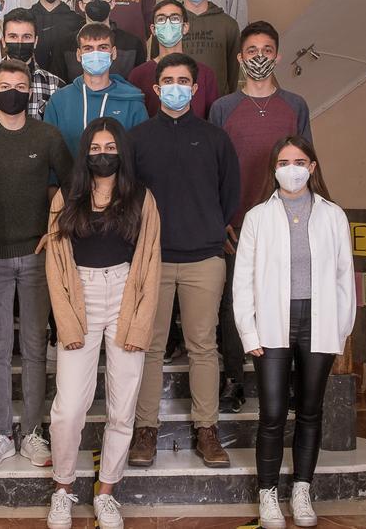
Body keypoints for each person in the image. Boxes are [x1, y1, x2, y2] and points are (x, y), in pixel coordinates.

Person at [45, 117, 161, 529]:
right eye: (95, 148)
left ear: (122, 152)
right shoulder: (67, 196)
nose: (103, 154)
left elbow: (150, 261)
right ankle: (63, 488)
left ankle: (107, 491)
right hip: (81, 296)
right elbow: (56, 266)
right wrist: (66, 321)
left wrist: (140, 322)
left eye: (110, 147)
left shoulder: (141, 198)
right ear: (85, 153)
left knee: (122, 407)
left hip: (126, 295)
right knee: (68, 409)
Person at [233, 135, 354, 529]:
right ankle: (267, 493)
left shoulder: (333, 215)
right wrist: (249, 334)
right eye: (284, 162)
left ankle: (302, 488)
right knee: (271, 413)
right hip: (272, 324)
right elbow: (244, 282)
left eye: (300, 161)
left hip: (318, 323)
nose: (292, 168)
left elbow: (343, 278)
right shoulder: (257, 217)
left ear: (313, 167)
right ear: (274, 169)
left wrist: (340, 331)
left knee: (310, 411)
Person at [127, 54, 240, 470]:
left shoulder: (215, 138)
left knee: (203, 346)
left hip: (203, 259)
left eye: (184, 81)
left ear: (195, 89)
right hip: (152, 260)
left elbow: (230, 194)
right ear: (156, 90)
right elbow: (128, 198)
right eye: (168, 80)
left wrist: (211, 229)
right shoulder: (137, 139)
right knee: (150, 347)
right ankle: (145, 430)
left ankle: (207, 429)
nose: (176, 87)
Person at [0, 58, 74, 469]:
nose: (13, 91)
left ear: (31, 91)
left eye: (21, 85)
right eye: (5, 85)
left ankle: (32, 433)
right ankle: (1, 434)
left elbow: (73, 185)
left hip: (35, 256)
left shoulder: (47, 135)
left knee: (33, 348)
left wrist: (57, 227)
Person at [209, 21, 312, 414]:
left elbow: (304, 163)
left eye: (267, 50)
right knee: (236, 303)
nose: (259, 57)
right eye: (251, 50)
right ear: (239, 57)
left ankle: (283, 378)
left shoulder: (295, 105)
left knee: (284, 302)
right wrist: (220, 221)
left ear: (278, 56)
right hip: (236, 224)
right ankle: (233, 378)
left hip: (286, 223)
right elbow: (213, 169)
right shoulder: (223, 108)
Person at [43, 22, 149, 155]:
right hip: (69, 175)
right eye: (88, 48)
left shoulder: (133, 103)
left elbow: (140, 153)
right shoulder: (58, 101)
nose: (95, 54)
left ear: (114, 53)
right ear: (78, 55)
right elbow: (50, 152)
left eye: (103, 47)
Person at [46, 0, 146, 82]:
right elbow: (57, 87)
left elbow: (138, 87)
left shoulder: (132, 44)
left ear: (112, 3)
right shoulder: (64, 46)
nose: (97, 2)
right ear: (81, 5)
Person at [128, 0, 219, 118]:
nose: (168, 24)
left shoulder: (205, 74)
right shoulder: (138, 75)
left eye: (175, 18)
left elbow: (212, 121)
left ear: (185, 27)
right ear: (153, 29)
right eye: (161, 19)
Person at [0, 8, 65, 118]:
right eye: (13, 36)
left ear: (35, 41)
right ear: (3, 41)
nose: (19, 42)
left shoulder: (55, 85)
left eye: (26, 37)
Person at [166, 0, 241, 96]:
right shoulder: (167, 23)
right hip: (177, 102)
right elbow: (159, 62)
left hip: (216, 104)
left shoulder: (228, 25)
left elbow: (233, 73)